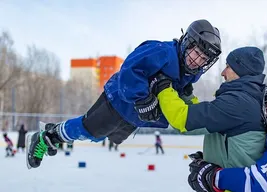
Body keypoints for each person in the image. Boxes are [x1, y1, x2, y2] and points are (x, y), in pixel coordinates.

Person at [26, 19, 221, 169]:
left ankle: (56, 134)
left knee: (97, 137)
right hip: (119, 101)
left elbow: (175, 87)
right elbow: (131, 68)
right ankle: (46, 137)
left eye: (204, 59)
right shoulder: (162, 51)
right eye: (196, 53)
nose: (197, 61)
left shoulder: (190, 72)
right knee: (88, 129)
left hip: (135, 117)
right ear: (187, 42)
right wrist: (141, 97)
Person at [150, 46, 266, 192]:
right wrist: (186, 95)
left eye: (229, 67)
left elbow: (183, 121)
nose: (223, 72)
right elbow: (204, 119)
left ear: (241, 70)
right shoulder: (249, 99)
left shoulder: (238, 103)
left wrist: (163, 87)